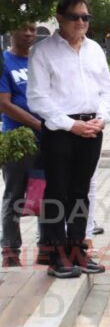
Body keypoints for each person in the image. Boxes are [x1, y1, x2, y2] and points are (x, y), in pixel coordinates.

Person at [28, 0, 110, 278]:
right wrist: (70, 125)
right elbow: (37, 98)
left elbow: (106, 89)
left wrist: (101, 118)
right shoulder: (43, 51)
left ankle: (78, 250)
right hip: (61, 131)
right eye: (75, 17)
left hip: (92, 129)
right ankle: (55, 255)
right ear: (60, 17)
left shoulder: (95, 50)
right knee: (57, 192)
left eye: (85, 17)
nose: (81, 22)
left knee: (81, 191)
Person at [0, 22, 43, 267]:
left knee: (45, 193)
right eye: (23, 28)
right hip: (17, 139)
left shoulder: (39, 60)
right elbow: (4, 104)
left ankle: (46, 245)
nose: (28, 33)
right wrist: (37, 124)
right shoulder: (4, 62)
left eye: (32, 29)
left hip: (46, 139)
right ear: (10, 31)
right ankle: (10, 249)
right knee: (14, 194)